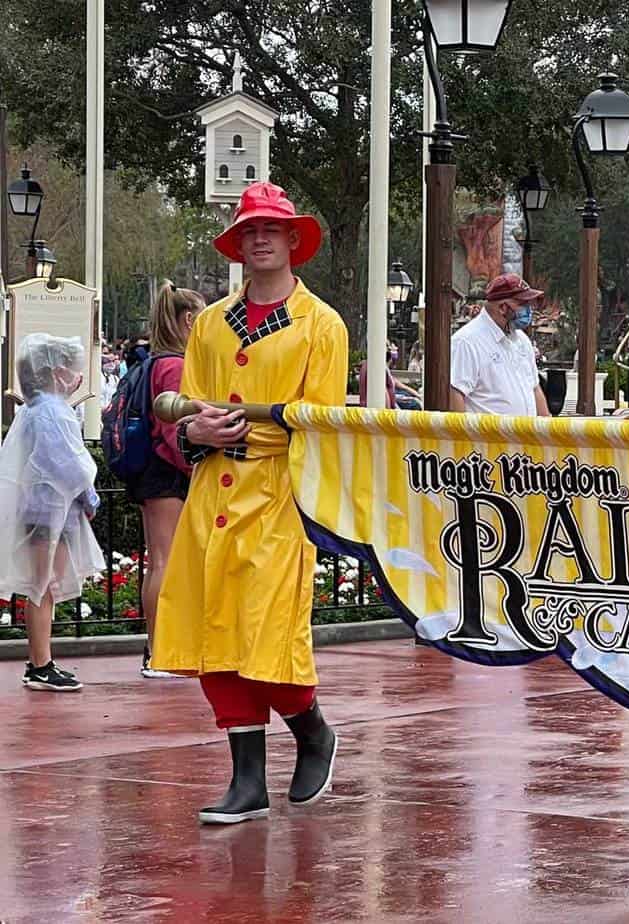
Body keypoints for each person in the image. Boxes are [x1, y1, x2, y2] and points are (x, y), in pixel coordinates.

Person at [153, 182, 348, 824]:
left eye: (271, 229)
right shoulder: (210, 324)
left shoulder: (322, 325)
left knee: (267, 630)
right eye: (247, 232)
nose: (258, 238)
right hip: (215, 489)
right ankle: (248, 779)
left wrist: (243, 429)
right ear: (237, 245)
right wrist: (195, 431)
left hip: (280, 492)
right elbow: (190, 408)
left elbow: (319, 421)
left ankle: (312, 728)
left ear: (294, 239)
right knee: (215, 628)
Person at [0, 334, 104, 692]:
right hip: (48, 512)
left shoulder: (39, 409)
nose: (77, 376)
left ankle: (42, 660)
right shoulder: (51, 412)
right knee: (42, 585)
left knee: (45, 584)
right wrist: (89, 496)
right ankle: (40, 664)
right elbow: (67, 463)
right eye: (72, 368)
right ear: (57, 372)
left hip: (45, 510)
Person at [131, 282, 206, 678]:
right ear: (190, 321)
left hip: (156, 472)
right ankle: (159, 651)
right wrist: (196, 466)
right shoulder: (175, 366)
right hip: (168, 471)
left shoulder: (156, 362)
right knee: (164, 561)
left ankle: (159, 647)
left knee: (159, 560)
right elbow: (173, 431)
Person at [449, 273, 551, 416]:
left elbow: (534, 388)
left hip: (525, 436)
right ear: (503, 308)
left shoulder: (522, 340)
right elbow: (455, 394)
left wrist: (547, 431)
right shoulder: (466, 342)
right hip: (487, 438)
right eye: (522, 304)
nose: (529, 309)